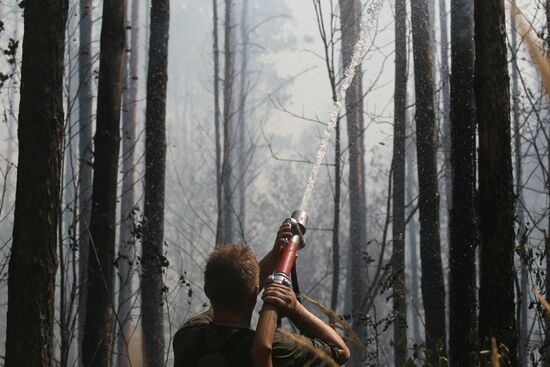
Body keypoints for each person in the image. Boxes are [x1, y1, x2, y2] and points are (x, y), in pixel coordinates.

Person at [173, 223, 350, 366]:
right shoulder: (275, 348)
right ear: (255, 293)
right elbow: (340, 351)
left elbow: (231, 289)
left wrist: (276, 256)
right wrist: (295, 309)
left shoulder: (187, 337)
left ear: (207, 291)